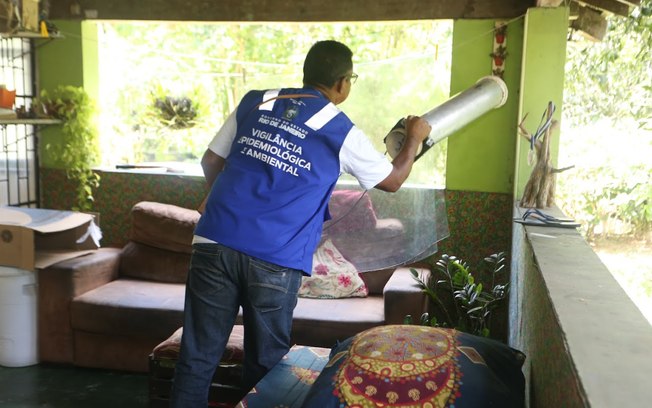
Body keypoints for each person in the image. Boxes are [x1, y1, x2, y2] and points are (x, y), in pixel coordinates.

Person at [169, 40, 431, 407]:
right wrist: (414, 138)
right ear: (342, 83)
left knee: (197, 357)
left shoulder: (256, 101)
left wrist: (222, 200)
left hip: (214, 240)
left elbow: (210, 161)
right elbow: (393, 180)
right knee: (265, 365)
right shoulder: (340, 130)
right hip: (274, 257)